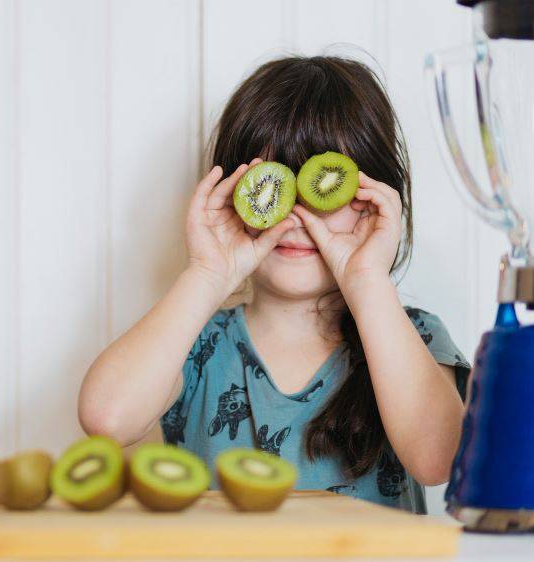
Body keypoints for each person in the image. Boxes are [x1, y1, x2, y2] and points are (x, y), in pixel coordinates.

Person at [77, 56, 470, 513]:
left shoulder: (413, 338)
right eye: (275, 185)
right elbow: (107, 419)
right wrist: (207, 273)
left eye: (322, 190)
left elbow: (440, 459)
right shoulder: (195, 345)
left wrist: (367, 280)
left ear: (372, 202)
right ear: (236, 196)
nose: (296, 218)